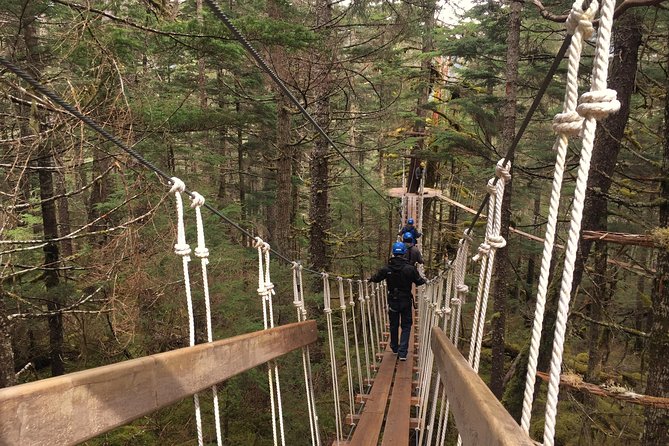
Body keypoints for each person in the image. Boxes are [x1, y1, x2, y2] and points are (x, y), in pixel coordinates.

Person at [369, 242, 426, 361]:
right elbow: (419, 282)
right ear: (404, 253)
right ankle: (403, 352)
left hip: (393, 300)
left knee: (394, 324)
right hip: (405, 300)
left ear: (393, 253)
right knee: (406, 325)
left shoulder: (387, 268)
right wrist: (425, 280)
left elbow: (377, 278)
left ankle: (394, 347)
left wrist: (370, 279)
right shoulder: (410, 269)